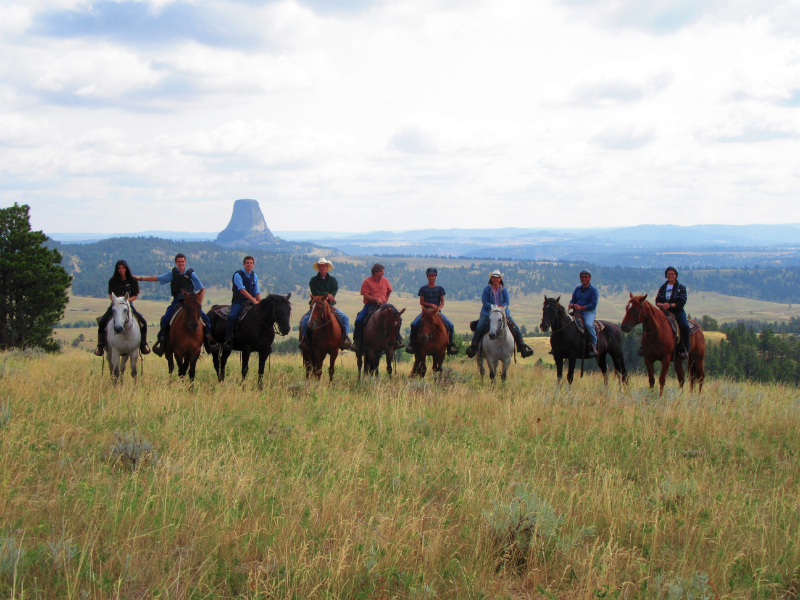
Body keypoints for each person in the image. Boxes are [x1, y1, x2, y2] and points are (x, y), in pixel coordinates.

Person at [136, 253, 219, 356]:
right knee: (165, 319)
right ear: (176, 262)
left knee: (206, 319)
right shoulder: (172, 273)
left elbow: (202, 289)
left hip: (190, 302)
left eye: (182, 261)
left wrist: (198, 304)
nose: (181, 263)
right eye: (179, 261)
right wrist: (140, 278)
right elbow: (157, 279)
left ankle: (209, 342)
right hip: (178, 301)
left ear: (185, 262)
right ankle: (162, 342)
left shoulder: (191, 274)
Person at [465, 270, 534, 358]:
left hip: (503, 312)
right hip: (488, 312)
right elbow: (484, 301)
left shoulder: (504, 289)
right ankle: (473, 347)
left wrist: (501, 308)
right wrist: (492, 307)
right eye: (494, 277)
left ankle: (522, 347)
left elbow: (507, 302)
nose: (495, 279)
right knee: (479, 327)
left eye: (497, 278)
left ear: (500, 279)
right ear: (491, 279)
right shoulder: (487, 289)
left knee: (515, 328)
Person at [93, 260, 151, 356]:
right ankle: (100, 345)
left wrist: (126, 302)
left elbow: (135, 295)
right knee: (102, 322)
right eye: (119, 268)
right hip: (115, 305)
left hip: (128, 306)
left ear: (126, 268)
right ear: (117, 270)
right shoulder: (112, 281)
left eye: (123, 268)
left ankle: (143, 345)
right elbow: (111, 295)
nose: (121, 270)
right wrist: (116, 302)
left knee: (143, 322)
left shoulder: (132, 280)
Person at [298, 257, 352, 350]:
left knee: (345, 318)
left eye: (324, 266)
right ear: (318, 268)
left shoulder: (333, 280)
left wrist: (330, 296)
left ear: (327, 268)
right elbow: (315, 293)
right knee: (305, 321)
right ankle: (304, 340)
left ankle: (344, 339)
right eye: (320, 267)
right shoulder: (313, 280)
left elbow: (334, 291)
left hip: (329, 305)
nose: (322, 268)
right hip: (316, 305)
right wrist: (327, 296)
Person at [405, 267, 458, 355]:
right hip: (425, 313)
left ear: (435, 277)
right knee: (414, 324)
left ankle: (450, 345)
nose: (431, 277)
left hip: (437, 313)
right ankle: (412, 344)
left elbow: (442, 302)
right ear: (427, 276)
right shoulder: (423, 289)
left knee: (451, 325)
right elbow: (421, 302)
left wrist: (438, 308)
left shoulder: (440, 288)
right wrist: (431, 305)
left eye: (433, 276)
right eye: (430, 276)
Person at [352, 263, 402, 351]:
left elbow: (389, 290)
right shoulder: (367, 281)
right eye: (381, 271)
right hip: (370, 305)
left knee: (398, 318)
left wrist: (385, 299)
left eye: (383, 271)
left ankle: (397, 339)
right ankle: (357, 341)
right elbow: (366, 296)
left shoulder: (385, 281)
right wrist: (376, 299)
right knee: (359, 320)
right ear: (376, 272)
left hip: (383, 305)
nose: (383, 273)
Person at [223, 256, 261, 351]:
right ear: (244, 264)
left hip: (251, 302)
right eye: (247, 262)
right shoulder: (238, 275)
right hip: (239, 302)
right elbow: (242, 290)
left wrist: (260, 303)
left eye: (251, 263)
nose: (249, 264)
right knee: (233, 316)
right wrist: (254, 300)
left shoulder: (254, 275)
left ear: (253, 264)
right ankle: (228, 338)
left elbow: (257, 291)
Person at [655, 266, 691, 359]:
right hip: (663, 311)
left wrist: (670, 305)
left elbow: (682, 302)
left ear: (676, 275)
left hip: (677, 311)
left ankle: (685, 348)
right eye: (669, 274)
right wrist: (663, 305)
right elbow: (657, 301)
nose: (670, 275)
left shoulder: (681, 288)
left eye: (672, 274)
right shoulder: (663, 287)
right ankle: (644, 346)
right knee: (649, 321)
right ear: (666, 276)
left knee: (684, 326)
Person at [569, 269, 599, 358]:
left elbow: (593, 305)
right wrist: (571, 304)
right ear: (580, 279)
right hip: (577, 312)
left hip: (588, 313)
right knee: (566, 323)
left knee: (588, 325)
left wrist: (581, 307)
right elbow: (573, 299)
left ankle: (594, 345)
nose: (584, 278)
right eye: (582, 277)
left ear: (589, 278)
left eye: (586, 277)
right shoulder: (577, 289)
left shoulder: (593, 290)